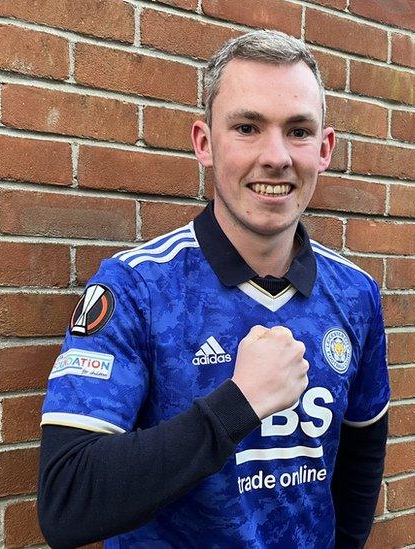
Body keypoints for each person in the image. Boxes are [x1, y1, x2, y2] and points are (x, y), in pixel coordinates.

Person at [38, 29, 390, 549]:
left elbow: (361, 461)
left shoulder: (355, 294)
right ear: (204, 143)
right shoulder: (138, 288)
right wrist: (239, 403)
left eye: (298, 131)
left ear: (325, 149)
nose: (277, 156)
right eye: (247, 127)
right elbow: (67, 500)